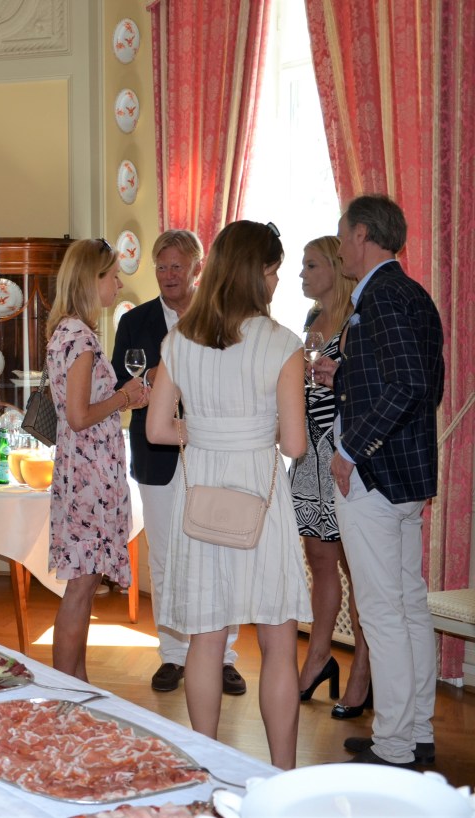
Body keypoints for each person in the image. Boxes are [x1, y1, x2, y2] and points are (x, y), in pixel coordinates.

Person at [146, 220, 309, 769]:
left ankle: (208, 768)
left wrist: (204, 431)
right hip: (261, 502)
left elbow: (157, 429)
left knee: (205, 639)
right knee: (279, 643)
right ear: (256, 273)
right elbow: (294, 443)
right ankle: (282, 773)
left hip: (203, 499)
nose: (277, 282)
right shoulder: (282, 343)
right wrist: (249, 431)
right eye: (274, 271)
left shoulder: (179, 340)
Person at [319, 195, 444, 768]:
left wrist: (350, 449)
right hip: (406, 474)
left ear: (363, 235)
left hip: (373, 476)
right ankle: (415, 731)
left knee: (382, 611)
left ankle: (395, 745)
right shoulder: (412, 294)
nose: (340, 246)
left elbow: (409, 384)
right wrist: (344, 374)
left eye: (343, 235)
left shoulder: (381, 296)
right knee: (408, 604)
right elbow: (419, 384)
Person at [112, 229, 247, 696]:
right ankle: (172, 654)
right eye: (161, 266)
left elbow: (236, 382)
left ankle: (224, 657)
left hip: (213, 453)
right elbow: (122, 386)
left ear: (197, 268)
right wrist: (158, 374)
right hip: (156, 455)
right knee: (166, 558)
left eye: (177, 266)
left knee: (219, 553)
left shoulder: (222, 316)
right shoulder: (135, 321)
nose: (168, 275)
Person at [48, 239, 147, 681]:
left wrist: (122, 397)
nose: (118, 284)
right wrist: (124, 397)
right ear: (92, 280)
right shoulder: (81, 338)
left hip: (83, 472)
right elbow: (79, 415)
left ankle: (78, 681)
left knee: (84, 587)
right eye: (113, 276)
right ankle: (66, 687)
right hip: (88, 477)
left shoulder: (69, 332)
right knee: (81, 587)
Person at [289, 236, 372, 717]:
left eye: (311, 265)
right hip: (308, 455)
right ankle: (319, 657)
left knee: (357, 567)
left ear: (336, 270)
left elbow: (362, 392)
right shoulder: (310, 320)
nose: (302, 274)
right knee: (319, 559)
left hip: (341, 456)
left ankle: (363, 667)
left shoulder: (356, 322)